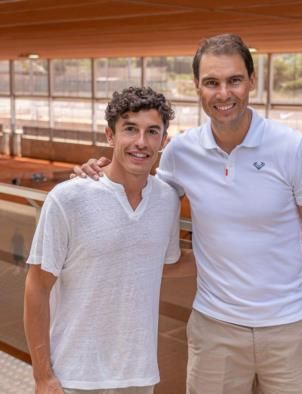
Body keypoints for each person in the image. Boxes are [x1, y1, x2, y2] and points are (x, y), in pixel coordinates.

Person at [74, 34, 302, 394]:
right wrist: (94, 175)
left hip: (289, 330)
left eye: (234, 80)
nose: (223, 93)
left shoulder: (294, 149)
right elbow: (140, 192)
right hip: (213, 330)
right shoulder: (181, 152)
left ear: (251, 81)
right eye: (212, 83)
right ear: (197, 87)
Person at [24, 87, 194, 394]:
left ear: (163, 141)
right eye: (130, 129)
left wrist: (236, 255)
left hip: (139, 376)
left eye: (152, 132)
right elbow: (37, 286)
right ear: (110, 136)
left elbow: (165, 263)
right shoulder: (68, 198)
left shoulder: (167, 200)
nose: (141, 142)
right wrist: (42, 375)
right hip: (73, 376)